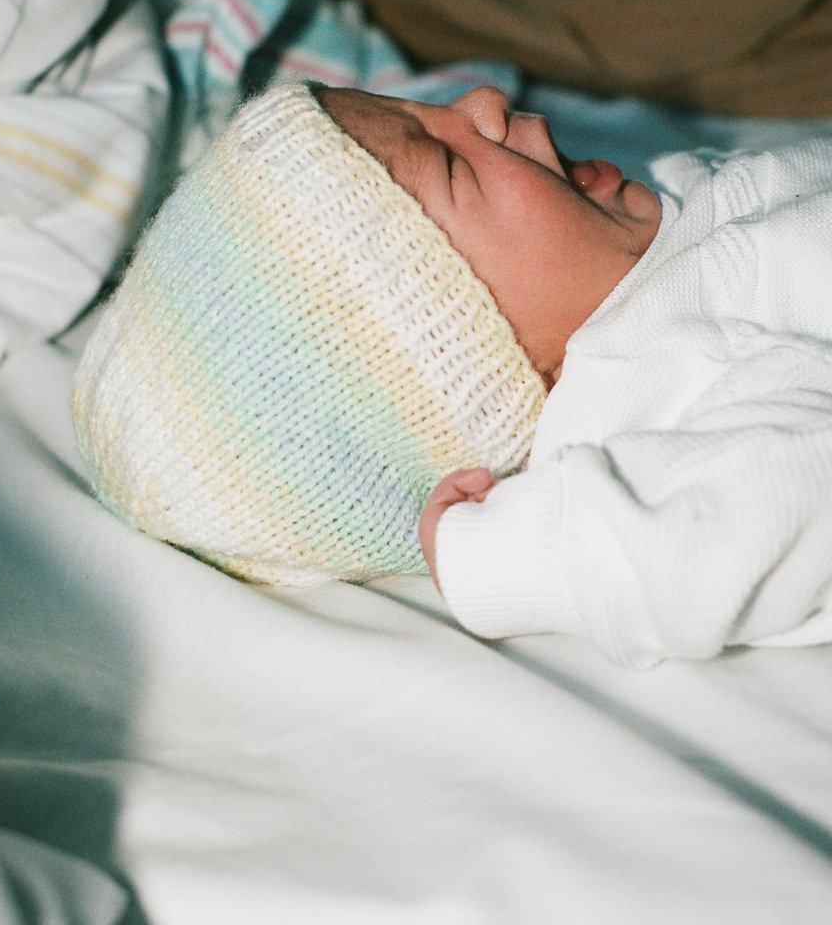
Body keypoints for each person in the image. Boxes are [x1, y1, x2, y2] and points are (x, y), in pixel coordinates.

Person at [72, 80, 832, 668]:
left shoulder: (653, 212)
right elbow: (759, 511)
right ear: (479, 360)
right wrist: (525, 557)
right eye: (450, 163)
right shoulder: (651, 382)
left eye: (428, 109)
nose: (483, 102)